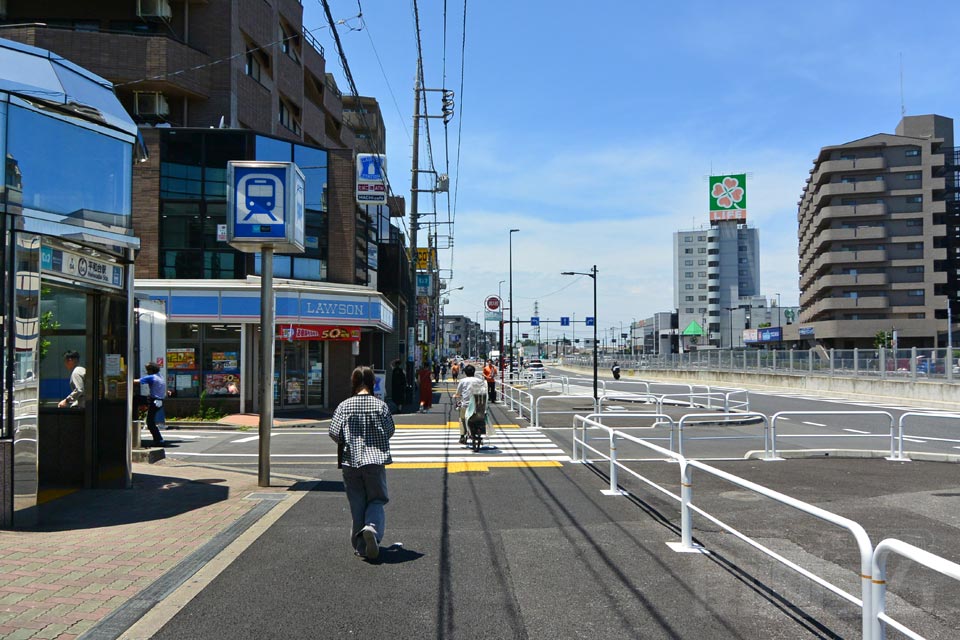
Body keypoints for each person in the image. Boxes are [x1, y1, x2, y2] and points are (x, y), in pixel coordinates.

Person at [328, 366, 395, 561]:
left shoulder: (344, 405)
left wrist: (347, 439)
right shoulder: (380, 406)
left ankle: (361, 547)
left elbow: (334, 432)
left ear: (354, 382)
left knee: (357, 503)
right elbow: (390, 430)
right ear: (373, 382)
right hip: (375, 460)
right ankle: (371, 529)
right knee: (377, 499)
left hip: (351, 461)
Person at [134, 362, 168, 447]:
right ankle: (158, 439)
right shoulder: (160, 377)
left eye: (147, 370)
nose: (147, 372)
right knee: (151, 420)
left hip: (154, 400)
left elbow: (136, 381)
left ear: (151, 370)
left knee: (150, 422)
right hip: (160, 401)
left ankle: (159, 440)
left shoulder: (152, 377)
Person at [453, 364, 482, 445]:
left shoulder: (463, 381)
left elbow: (458, 393)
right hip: (478, 405)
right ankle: (479, 431)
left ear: (465, 372)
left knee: (462, 419)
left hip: (466, 405)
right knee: (480, 418)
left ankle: (462, 436)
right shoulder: (479, 380)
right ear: (474, 372)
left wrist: (456, 395)